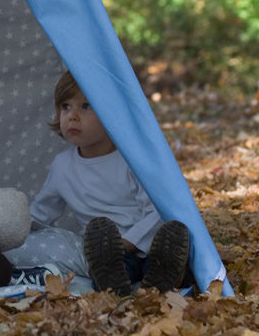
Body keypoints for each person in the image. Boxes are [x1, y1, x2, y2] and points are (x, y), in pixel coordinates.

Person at [28, 69, 190, 296]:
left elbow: (156, 210)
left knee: (163, 252)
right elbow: (41, 213)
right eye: (66, 107)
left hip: (146, 243)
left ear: (111, 113)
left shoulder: (129, 160)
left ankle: (166, 275)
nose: (72, 116)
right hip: (106, 250)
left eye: (86, 106)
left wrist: (129, 241)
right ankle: (115, 284)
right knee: (109, 263)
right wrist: (12, 230)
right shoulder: (61, 166)